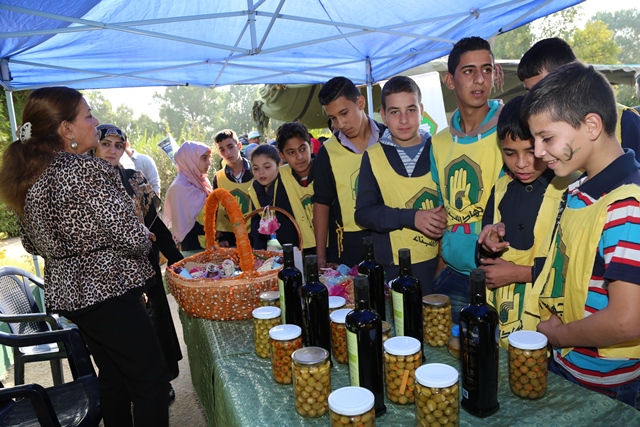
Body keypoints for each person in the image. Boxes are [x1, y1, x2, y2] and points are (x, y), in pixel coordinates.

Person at [0, 87, 170, 426]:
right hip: (110, 289)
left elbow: (33, 245)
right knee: (150, 381)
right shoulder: (84, 171)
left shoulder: (31, 176)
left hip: (75, 296)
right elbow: (128, 235)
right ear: (66, 129)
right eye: (88, 116)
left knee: (113, 376)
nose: (94, 122)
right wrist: (142, 235)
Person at [521, 62, 640, 409]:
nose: (539, 152)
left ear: (591, 125)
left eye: (547, 138)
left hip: (608, 388)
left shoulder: (627, 205)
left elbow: (627, 318)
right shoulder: (581, 189)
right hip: (570, 365)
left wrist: (559, 335)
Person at [475, 96, 576, 349]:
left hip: (547, 327)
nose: (521, 164)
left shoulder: (569, 190)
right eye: (510, 153)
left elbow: (572, 269)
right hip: (503, 317)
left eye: (531, 153)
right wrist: (489, 243)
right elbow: (482, 258)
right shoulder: (501, 187)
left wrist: (519, 273)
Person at [94, 124, 183, 401]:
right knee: (124, 336)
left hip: (144, 263)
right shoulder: (87, 184)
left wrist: (180, 263)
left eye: (117, 145)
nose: (112, 150)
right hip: (108, 272)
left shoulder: (134, 178)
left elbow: (155, 223)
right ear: (93, 145)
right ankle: (129, 388)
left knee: (154, 324)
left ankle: (160, 383)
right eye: (105, 143)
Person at [429, 36, 505, 323]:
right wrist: (440, 262)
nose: (479, 80)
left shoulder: (510, 132)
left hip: (498, 277)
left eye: (486, 70)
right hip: (451, 275)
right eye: (468, 71)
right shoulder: (439, 142)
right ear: (450, 81)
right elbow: (441, 205)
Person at [355, 76, 445, 293]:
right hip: (392, 266)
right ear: (383, 115)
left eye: (411, 110)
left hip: (439, 265)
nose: (404, 120)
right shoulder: (373, 156)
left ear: (422, 110)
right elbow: (364, 214)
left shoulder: (440, 149)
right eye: (395, 112)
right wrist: (412, 217)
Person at [517, 37, 640, 160]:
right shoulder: (537, 129)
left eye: (542, 89)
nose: (534, 100)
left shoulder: (627, 120)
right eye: (530, 93)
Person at [313, 76, 386, 268]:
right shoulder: (326, 153)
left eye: (344, 113)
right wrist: (321, 255)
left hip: (391, 235)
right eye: (333, 118)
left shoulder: (389, 139)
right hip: (348, 244)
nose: (340, 124)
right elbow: (321, 203)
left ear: (360, 103)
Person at [248, 144, 302, 251]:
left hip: (297, 244)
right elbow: (256, 224)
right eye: (256, 168)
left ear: (279, 165)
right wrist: (258, 250)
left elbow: (290, 225)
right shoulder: (255, 188)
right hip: (273, 247)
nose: (261, 172)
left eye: (267, 167)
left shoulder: (286, 184)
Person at [164, 141, 213, 252]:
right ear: (190, 160)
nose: (209, 163)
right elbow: (183, 224)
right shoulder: (178, 188)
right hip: (193, 246)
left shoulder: (202, 181)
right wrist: (212, 230)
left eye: (209, 158)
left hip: (211, 241)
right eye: (204, 158)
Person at [276, 121, 316, 254]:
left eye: (303, 149)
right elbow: (284, 219)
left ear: (311, 146)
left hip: (333, 246)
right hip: (302, 249)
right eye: (291, 152)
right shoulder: (283, 176)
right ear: (282, 155)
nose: (299, 157)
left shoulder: (325, 169)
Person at [212, 129, 253, 247]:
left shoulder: (256, 171)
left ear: (239, 146)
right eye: (222, 149)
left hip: (254, 234)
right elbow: (216, 207)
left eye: (230, 147)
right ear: (219, 153)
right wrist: (221, 234)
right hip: (229, 236)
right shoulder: (218, 178)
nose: (227, 152)